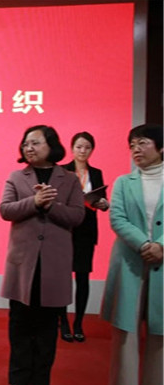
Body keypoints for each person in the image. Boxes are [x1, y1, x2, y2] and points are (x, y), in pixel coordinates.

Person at [0, 125, 84, 385]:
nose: (29, 148)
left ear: (51, 146)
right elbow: (5, 210)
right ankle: (17, 378)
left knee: (47, 328)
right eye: (26, 143)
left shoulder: (69, 179)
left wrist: (51, 206)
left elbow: (77, 216)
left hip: (54, 265)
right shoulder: (16, 177)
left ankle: (40, 382)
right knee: (19, 325)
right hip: (22, 264)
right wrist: (34, 202)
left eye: (35, 143)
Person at [101, 124, 163, 385]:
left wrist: (161, 245)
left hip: (163, 261)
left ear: (161, 147)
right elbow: (117, 218)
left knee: (161, 331)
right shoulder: (124, 182)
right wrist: (144, 245)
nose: (136, 149)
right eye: (132, 145)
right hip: (130, 261)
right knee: (126, 331)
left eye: (143, 143)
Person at [58, 132, 109, 343]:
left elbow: (102, 198)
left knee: (83, 277)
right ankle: (63, 322)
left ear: (92, 150)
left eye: (87, 147)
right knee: (62, 278)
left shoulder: (96, 173)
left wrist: (103, 204)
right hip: (65, 229)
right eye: (79, 147)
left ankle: (78, 323)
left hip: (86, 231)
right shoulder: (62, 171)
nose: (82, 151)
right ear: (72, 148)